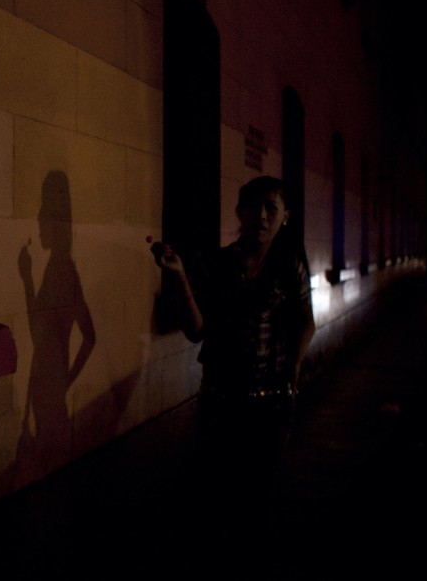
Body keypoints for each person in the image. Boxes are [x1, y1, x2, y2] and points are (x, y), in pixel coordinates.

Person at [151, 175, 316, 567]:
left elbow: (305, 321)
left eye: (270, 208)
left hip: (272, 403)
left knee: (260, 499)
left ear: (284, 216)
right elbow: (196, 331)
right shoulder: (216, 263)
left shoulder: (289, 267)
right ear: (239, 212)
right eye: (253, 207)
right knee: (216, 498)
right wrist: (178, 277)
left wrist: (294, 363)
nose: (261, 216)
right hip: (220, 400)